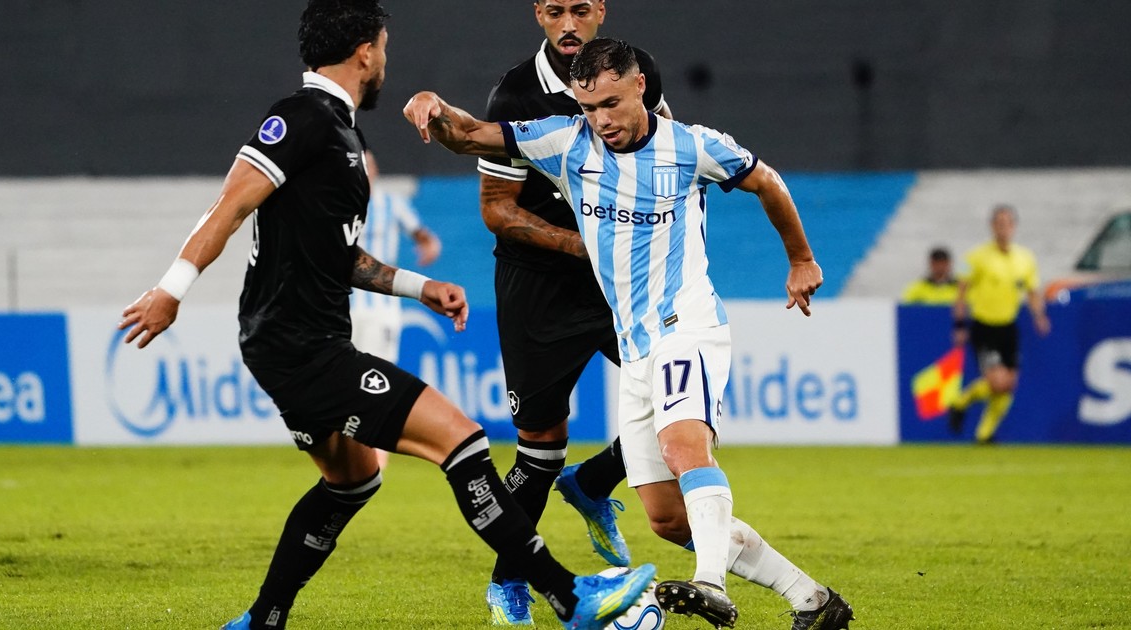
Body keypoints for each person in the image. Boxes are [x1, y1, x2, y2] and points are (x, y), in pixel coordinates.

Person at [117, 5, 654, 630]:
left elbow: (338, 255)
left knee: (354, 480)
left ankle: (262, 620)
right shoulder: (300, 118)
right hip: (300, 347)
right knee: (461, 441)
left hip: (296, 344)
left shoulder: (341, 134)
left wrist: (419, 287)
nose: (385, 61)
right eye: (385, 48)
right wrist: (171, 290)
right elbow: (229, 206)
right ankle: (568, 598)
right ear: (365, 52)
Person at [404, 37, 854, 630]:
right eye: (589, 107)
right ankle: (812, 600)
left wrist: (801, 259)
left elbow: (766, 181)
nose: (602, 120)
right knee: (666, 518)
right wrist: (433, 105)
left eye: (611, 104)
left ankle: (710, 584)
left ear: (640, 86)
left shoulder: (692, 146)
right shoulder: (565, 143)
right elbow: (469, 135)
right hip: (636, 345)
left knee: (684, 447)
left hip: (687, 325)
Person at [475, 1, 672, 624]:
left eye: (580, 10)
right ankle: (509, 581)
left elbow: (663, 156)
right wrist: (582, 242)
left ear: (600, 10)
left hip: (619, 282)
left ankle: (594, 482)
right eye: (556, 10)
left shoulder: (636, 73)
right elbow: (496, 208)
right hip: (537, 288)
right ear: (538, 13)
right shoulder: (514, 95)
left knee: (684, 399)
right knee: (540, 450)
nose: (568, 25)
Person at [351, 151, 441, 471]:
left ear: (375, 171)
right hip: (342, 307)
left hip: (380, 308)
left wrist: (428, 246)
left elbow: (424, 235)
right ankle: (348, 448)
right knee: (345, 378)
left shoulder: (391, 204)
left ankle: (378, 448)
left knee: (378, 376)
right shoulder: (337, 203)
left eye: (368, 166)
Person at [949, 205, 1050, 444]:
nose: (1003, 228)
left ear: (1014, 226)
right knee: (998, 381)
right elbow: (960, 293)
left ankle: (984, 435)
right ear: (992, 226)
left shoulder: (1026, 258)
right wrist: (959, 325)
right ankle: (961, 401)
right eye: (999, 223)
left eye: (1007, 223)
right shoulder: (973, 257)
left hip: (1008, 327)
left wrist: (1039, 315)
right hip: (984, 326)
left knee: (1009, 385)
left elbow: (1032, 291)